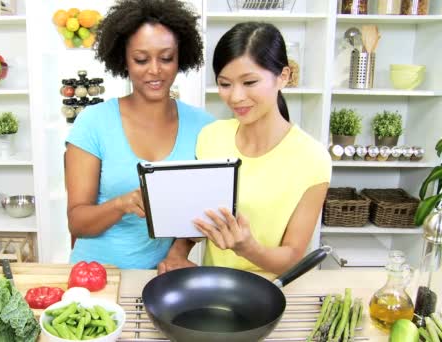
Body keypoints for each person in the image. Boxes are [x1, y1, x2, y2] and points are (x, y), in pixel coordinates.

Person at [158, 22, 332, 275]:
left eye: (249, 82)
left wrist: (247, 247)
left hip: (271, 293)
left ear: (284, 76)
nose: (236, 97)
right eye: (225, 84)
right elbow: (197, 220)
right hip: (212, 286)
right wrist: (177, 253)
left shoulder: (313, 159)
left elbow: (293, 257)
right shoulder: (211, 137)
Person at [64, 0, 214, 269]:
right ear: (124, 60)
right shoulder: (93, 123)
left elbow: (204, 210)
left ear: (180, 58)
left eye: (166, 58)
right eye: (141, 59)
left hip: (159, 275)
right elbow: (77, 222)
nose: (155, 70)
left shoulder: (203, 126)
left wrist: (178, 253)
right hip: (97, 275)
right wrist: (122, 204)